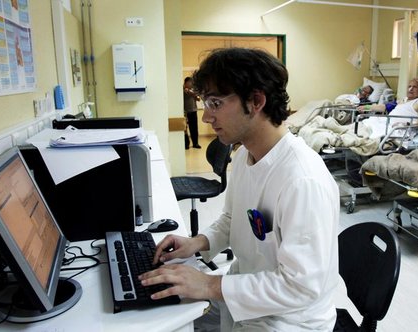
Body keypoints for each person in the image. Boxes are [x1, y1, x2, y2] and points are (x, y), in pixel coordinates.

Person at [140, 48, 340, 331]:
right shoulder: (248, 157)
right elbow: (233, 219)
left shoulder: (302, 181)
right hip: (246, 289)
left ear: (256, 101)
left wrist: (210, 284)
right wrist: (197, 242)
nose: (207, 117)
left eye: (216, 103)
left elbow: (300, 287)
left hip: (288, 319)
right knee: (158, 313)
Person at [184, 77, 201, 149]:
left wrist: (192, 93)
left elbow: (198, 98)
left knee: (194, 128)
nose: (191, 84)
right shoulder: (182, 89)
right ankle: (186, 144)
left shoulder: (192, 90)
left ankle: (195, 143)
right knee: (185, 129)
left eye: (192, 82)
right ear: (186, 83)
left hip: (193, 111)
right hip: (185, 112)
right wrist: (188, 91)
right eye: (190, 82)